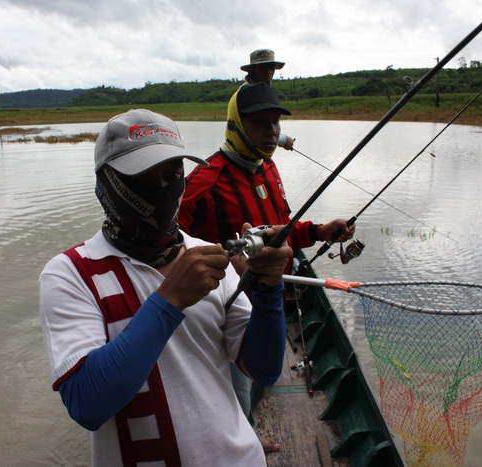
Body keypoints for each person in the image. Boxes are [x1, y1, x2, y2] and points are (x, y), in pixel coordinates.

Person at [39, 109, 293, 466]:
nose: (163, 189)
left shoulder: (206, 255)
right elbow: (87, 405)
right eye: (144, 176)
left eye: (173, 174)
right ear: (106, 182)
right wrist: (169, 300)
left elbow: (263, 368)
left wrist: (269, 285)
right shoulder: (70, 274)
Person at [178, 83, 355, 453]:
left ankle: (248, 428)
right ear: (236, 124)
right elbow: (173, 245)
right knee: (239, 382)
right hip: (230, 306)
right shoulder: (205, 180)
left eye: (275, 122)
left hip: (273, 296)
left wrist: (321, 230)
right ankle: (237, 443)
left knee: (262, 378)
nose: (272, 131)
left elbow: (283, 228)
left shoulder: (269, 168)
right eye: (261, 123)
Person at [241, 48, 295, 150]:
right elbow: (252, 133)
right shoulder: (248, 93)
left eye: (272, 67)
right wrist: (283, 139)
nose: (269, 72)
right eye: (263, 67)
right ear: (252, 69)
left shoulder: (259, 91)